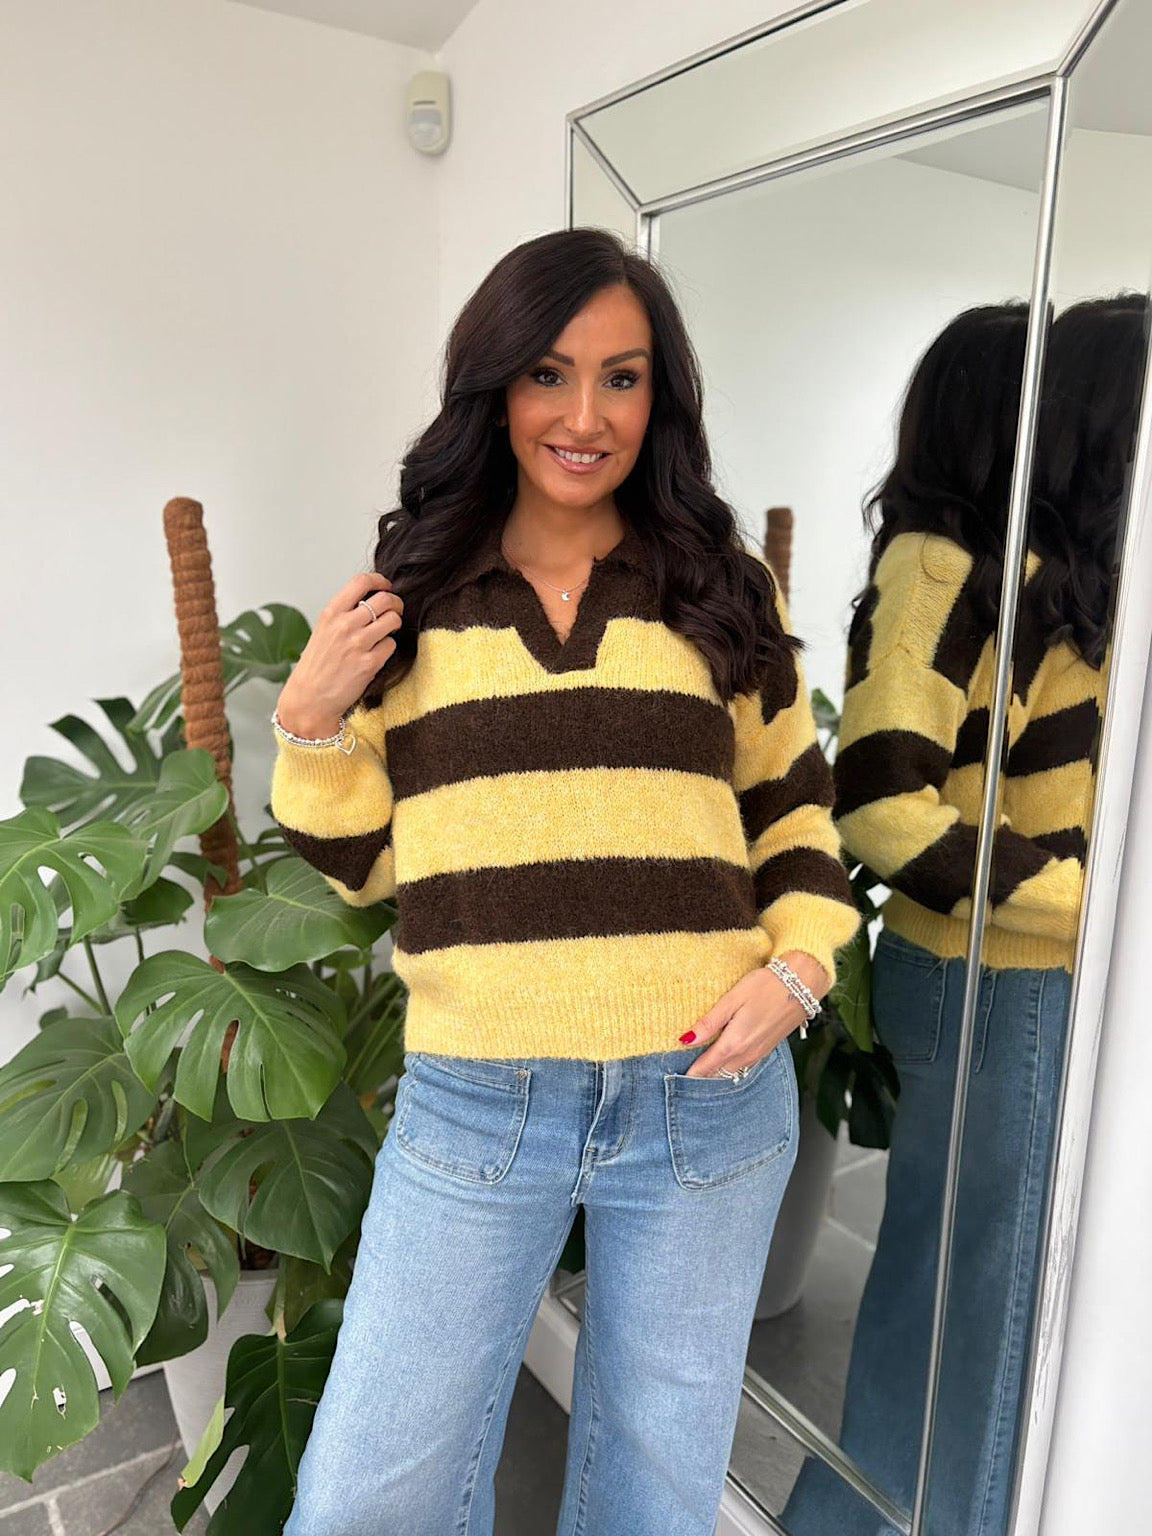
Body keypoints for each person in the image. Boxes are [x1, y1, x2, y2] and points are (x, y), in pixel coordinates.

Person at [268, 226, 861, 1536]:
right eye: (548, 374)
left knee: (656, 1494)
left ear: (662, 398)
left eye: (622, 378)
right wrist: (310, 726)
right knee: (368, 1495)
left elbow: (794, 813)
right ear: (495, 389)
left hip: (704, 1098)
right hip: (480, 1101)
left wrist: (802, 968)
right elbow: (372, 868)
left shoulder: (723, 590)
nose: (585, 417)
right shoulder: (413, 600)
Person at [782, 294, 1145, 1536]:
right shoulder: (946, 570)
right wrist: (1093, 908)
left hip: (1024, 977)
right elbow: (881, 803)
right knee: (969, 1305)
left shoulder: (1041, 579)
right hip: (998, 978)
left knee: (982, 1297)